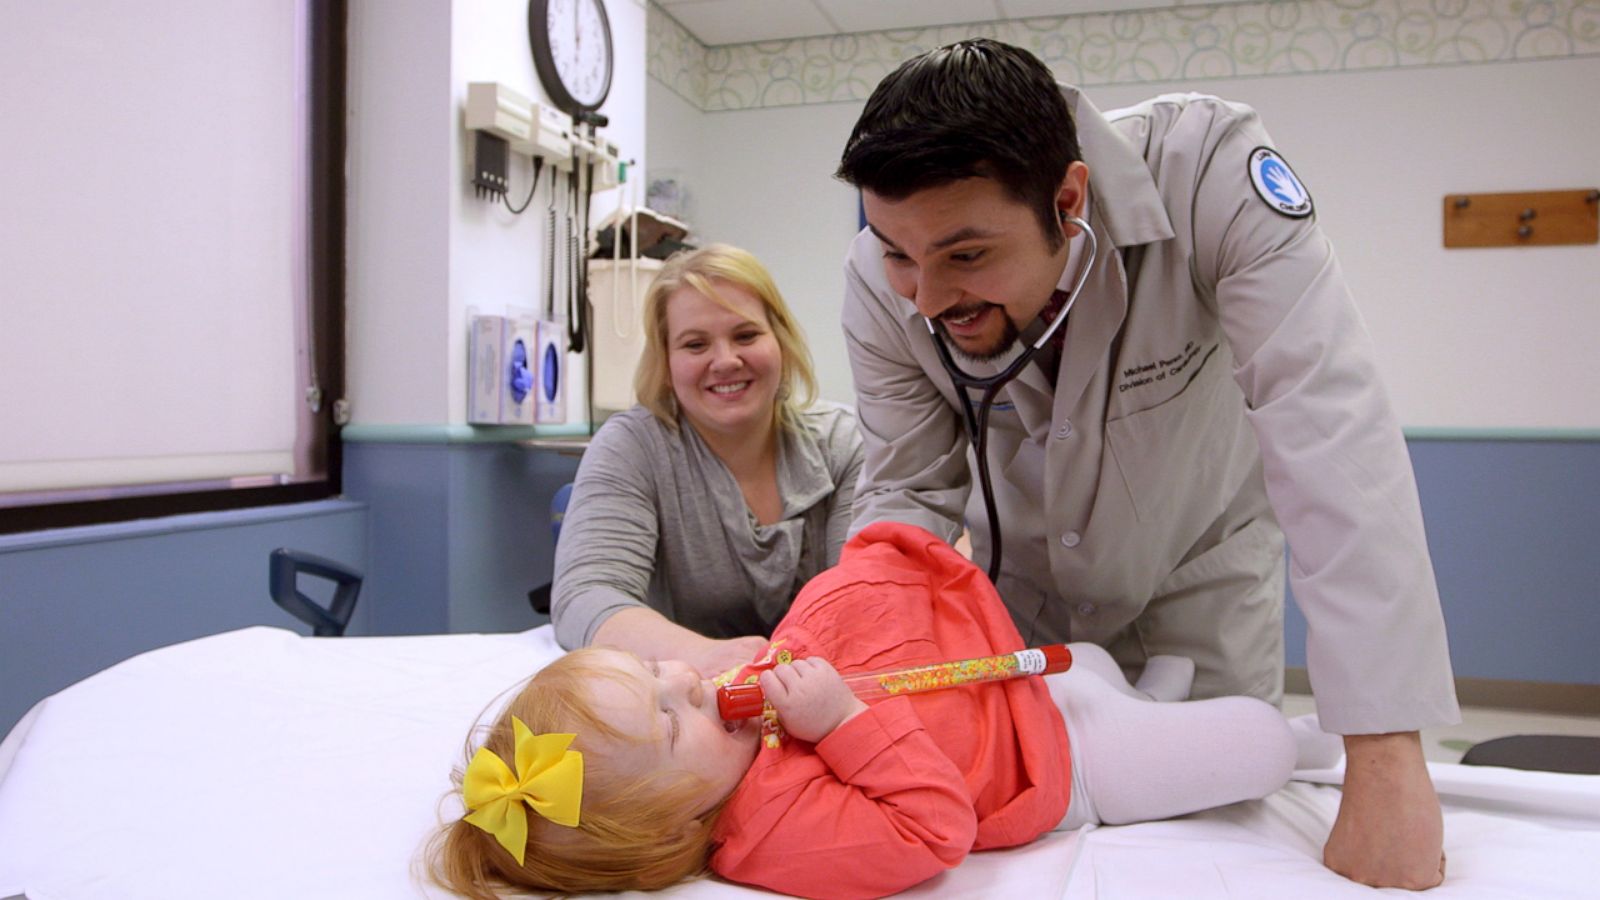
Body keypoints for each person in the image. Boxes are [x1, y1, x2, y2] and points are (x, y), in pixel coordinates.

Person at [833, 39, 1458, 889]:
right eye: (898, 252)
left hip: (1199, 587)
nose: (928, 298)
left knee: (1221, 841)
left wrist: (1386, 758)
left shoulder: (1210, 176)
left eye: (967, 255)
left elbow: (1329, 437)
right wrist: (850, 645)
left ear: (1067, 199)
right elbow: (908, 489)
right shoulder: (881, 284)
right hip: (1027, 614)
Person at [431, 522, 1323, 899]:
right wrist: (842, 724)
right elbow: (933, 829)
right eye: (671, 722)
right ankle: (1305, 747)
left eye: (658, 674)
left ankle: (1141, 698)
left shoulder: (738, 722)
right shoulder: (774, 831)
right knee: (1255, 740)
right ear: (680, 823)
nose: (691, 683)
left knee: (1093, 663)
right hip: (1058, 767)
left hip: (1017, 691)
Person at [550, 244, 863, 678]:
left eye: (746, 336)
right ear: (665, 360)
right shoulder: (632, 447)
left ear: (781, 339)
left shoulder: (844, 443)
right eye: (695, 344)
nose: (725, 361)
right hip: (685, 699)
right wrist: (709, 659)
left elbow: (864, 595)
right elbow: (584, 598)